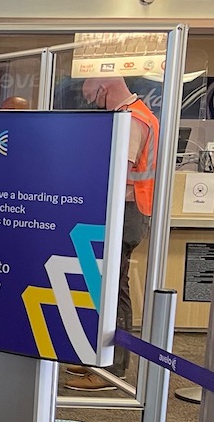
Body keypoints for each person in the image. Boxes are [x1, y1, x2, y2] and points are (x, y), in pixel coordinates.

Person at [68, 76, 159, 391]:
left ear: (104, 90)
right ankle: (99, 357)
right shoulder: (135, 114)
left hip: (127, 213)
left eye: (95, 99)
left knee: (113, 290)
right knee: (107, 286)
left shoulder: (132, 119)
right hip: (129, 212)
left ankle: (113, 369)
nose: (96, 106)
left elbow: (120, 173)